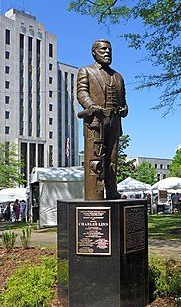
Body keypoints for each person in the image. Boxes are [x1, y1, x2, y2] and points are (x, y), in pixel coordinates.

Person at [77, 39, 128, 199]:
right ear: (94, 52)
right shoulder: (86, 71)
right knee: (95, 159)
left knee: (113, 159)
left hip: (114, 121)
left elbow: (123, 101)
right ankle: (95, 194)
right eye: (103, 49)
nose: (107, 52)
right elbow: (82, 92)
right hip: (96, 121)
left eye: (109, 50)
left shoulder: (118, 76)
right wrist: (90, 105)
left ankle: (112, 190)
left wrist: (125, 108)